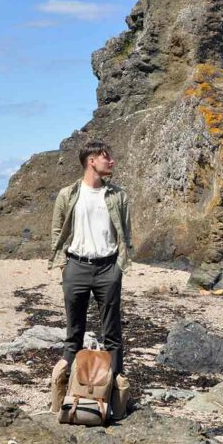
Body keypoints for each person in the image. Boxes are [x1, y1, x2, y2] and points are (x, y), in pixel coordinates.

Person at [49, 140, 133, 376]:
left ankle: (115, 387)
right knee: (73, 332)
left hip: (108, 267)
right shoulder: (68, 194)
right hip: (75, 265)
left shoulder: (118, 196)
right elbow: (57, 231)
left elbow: (125, 234)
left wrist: (119, 267)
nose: (112, 161)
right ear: (92, 161)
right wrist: (63, 265)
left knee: (112, 333)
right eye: (107, 157)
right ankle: (69, 387)